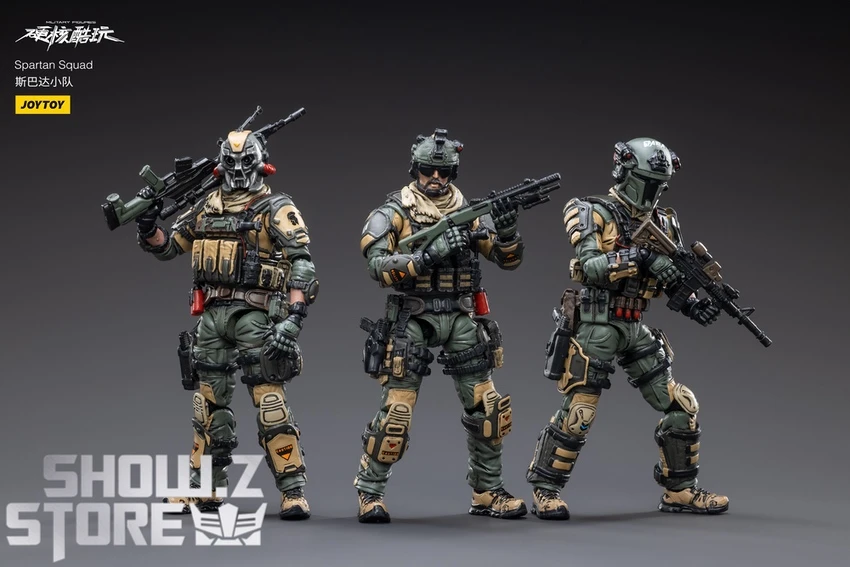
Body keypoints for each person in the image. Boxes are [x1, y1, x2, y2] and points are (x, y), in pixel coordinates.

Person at [527, 137, 728, 519]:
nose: (652, 192)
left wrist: (692, 304)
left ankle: (680, 491)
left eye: (659, 185)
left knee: (682, 405)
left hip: (635, 324)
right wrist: (643, 257)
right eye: (647, 182)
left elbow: (670, 279)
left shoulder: (665, 222)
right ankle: (545, 490)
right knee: (579, 412)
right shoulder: (591, 211)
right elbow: (591, 267)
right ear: (625, 172)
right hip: (597, 324)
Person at [134, 117, 319, 520]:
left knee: (271, 403)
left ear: (262, 164)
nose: (237, 172)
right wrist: (148, 228)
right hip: (212, 318)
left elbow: (303, 265)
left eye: (245, 163)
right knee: (207, 407)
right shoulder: (206, 207)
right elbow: (169, 247)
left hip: (256, 315)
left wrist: (294, 318)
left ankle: (293, 491)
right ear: (220, 165)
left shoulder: (275, 208)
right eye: (230, 164)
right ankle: (205, 490)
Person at [354, 128, 529, 523]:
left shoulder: (469, 211)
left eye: (444, 172)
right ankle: (370, 492)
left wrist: (506, 231)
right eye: (428, 170)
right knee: (397, 411)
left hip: (461, 317)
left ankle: (488, 491)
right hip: (413, 317)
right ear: (415, 168)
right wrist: (426, 256)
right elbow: (377, 266)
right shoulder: (394, 212)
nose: (435, 178)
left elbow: (508, 260)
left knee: (487, 409)